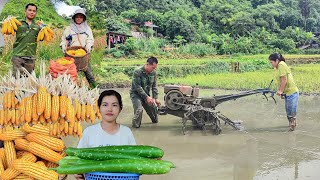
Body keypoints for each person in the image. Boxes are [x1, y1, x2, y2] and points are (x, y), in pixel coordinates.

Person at [75, 90, 136, 180]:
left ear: (120, 109)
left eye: (114, 105)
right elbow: (78, 159)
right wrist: (77, 173)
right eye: (105, 105)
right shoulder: (89, 132)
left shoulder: (126, 132)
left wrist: (151, 160)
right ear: (99, 108)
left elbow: (135, 161)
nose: (109, 109)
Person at [60, 8, 97, 88]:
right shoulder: (69, 28)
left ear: (83, 18)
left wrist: (88, 45)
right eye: (77, 17)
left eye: (81, 17)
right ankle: (69, 92)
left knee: (89, 75)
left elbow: (90, 39)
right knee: (69, 75)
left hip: (83, 55)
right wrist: (63, 45)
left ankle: (95, 90)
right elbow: (64, 39)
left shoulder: (87, 29)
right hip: (71, 55)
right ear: (74, 18)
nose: (79, 18)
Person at [269, 53, 299, 131]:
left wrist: (280, 91)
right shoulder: (277, 67)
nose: (271, 64)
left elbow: (284, 80)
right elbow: (280, 81)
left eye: (271, 62)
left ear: (277, 60)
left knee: (291, 111)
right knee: (288, 111)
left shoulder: (281, 65)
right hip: (287, 93)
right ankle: (291, 127)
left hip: (292, 92)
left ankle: (292, 128)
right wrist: (281, 92)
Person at [130, 56, 161, 128]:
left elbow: (154, 87)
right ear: (147, 64)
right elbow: (137, 87)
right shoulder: (137, 71)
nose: (153, 69)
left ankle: (154, 120)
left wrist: (156, 98)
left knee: (155, 118)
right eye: (153, 67)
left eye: (155, 68)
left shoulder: (153, 73)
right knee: (139, 110)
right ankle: (135, 127)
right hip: (136, 95)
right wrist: (147, 97)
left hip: (146, 95)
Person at [11, 3, 41, 76]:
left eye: (34, 11)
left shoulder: (38, 26)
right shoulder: (18, 23)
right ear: (25, 11)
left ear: (36, 13)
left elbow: (42, 38)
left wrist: (45, 28)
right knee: (16, 80)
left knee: (28, 80)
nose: (32, 12)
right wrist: (8, 21)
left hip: (30, 57)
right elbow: (8, 31)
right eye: (29, 10)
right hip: (18, 56)